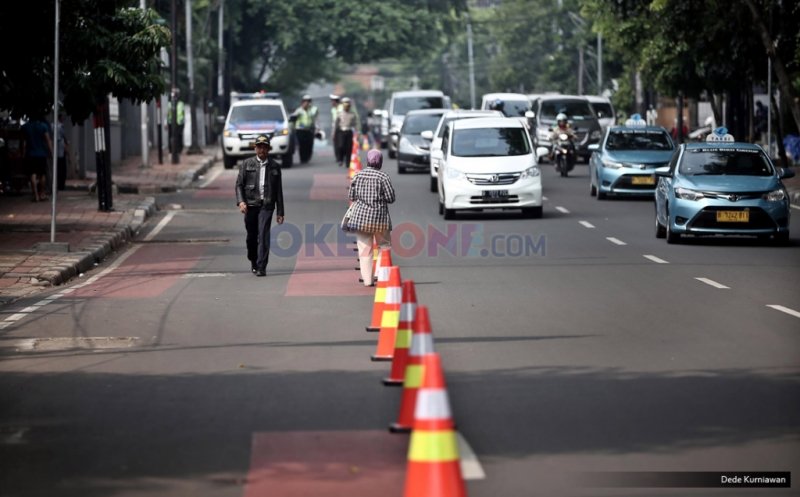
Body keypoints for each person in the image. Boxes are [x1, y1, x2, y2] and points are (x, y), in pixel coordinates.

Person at [235, 134, 285, 277]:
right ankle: (254, 261)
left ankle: (262, 266)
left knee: (263, 235)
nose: (262, 150)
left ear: (268, 149)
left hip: (267, 206)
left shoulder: (275, 166)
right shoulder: (246, 164)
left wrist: (280, 212)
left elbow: (278, 191)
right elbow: (239, 184)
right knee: (252, 236)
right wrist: (241, 202)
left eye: (264, 147)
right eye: (259, 147)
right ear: (255, 148)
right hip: (250, 205)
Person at [347, 149, 395, 287]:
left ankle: (368, 280)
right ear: (380, 162)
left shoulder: (357, 175)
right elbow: (391, 198)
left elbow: (351, 196)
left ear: (367, 161)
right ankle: (381, 274)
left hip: (361, 219)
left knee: (364, 250)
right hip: (380, 218)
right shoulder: (383, 177)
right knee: (384, 246)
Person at [20, 113, 53, 202]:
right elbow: (48, 140)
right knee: (42, 174)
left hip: (30, 154)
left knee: (33, 174)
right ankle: (41, 193)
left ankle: (35, 195)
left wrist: (23, 153)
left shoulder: (25, 127)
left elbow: (23, 142)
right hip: (41, 154)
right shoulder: (43, 126)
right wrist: (51, 152)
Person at [291, 94, 318, 163]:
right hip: (300, 130)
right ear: (302, 102)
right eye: (305, 101)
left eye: (308, 101)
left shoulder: (312, 110)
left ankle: (307, 157)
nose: (307, 103)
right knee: (302, 145)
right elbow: (293, 118)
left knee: (309, 144)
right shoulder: (299, 110)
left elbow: (315, 120)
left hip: (309, 130)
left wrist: (316, 128)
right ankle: (303, 158)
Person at [334, 97, 360, 168]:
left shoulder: (352, 114)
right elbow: (336, 123)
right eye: (345, 103)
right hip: (341, 131)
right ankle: (340, 159)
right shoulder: (339, 113)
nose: (347, 105)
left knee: (349, 148)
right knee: (341, 146)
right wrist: (334, 133)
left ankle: (348, 163)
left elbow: (355, 124)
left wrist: (357, 133)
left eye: (348, 103)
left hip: (349, 132)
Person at [55, 112, 70, 191]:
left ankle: (57, 185)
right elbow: (65, 140)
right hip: (61, 153)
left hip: (54, 153)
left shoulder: (52, 126)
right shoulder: (61, 127)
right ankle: (61, 185)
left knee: (56, 169)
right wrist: (68, 154)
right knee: (62, 170)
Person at [167, 89, 185, 155]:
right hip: (171, 122)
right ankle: (171, 150)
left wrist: (182, 123)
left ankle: (179, 149)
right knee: (170, 136)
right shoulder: (169, 103)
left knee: (179, 136)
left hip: (179, 123)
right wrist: (166, 122)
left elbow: (183, 114)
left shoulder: (181, 103)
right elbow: (168, 114)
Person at [329, 94, 342, 164]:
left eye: (332, 101)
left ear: (335, 101)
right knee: (335, 143)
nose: (331, 103)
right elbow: (334, 121)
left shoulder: (341, 108)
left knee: (341, 144)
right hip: (335, 128)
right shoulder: (333, 109)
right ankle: (338, 158)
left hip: (341, 128)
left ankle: (341, 157)